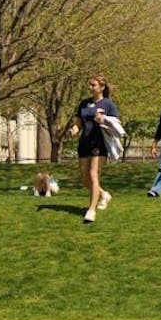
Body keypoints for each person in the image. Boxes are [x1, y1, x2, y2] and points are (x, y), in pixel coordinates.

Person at [67, 75, 120, 223]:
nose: (90, 88)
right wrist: (73, 130)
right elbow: (78, 123)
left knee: (93, 175)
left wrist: (103, 121)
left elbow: (116, 127)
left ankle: (91, 210)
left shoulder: (108, 104)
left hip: (99, 143)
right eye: (89, 85)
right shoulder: (84, 104)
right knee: (85, 179)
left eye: (93, 85)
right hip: (84, 143)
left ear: (102, 87)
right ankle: (103, 194)